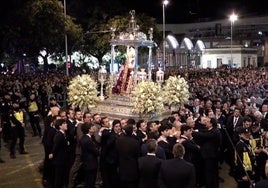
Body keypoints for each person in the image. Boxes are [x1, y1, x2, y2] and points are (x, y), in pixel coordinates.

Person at [116, 123, 140, 188]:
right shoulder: (135, 142)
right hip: (132, 168)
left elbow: (117, 152)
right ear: (132, 131)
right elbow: (137, 155)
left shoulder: (118, 140)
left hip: (122, 167)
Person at [49, 119, 69, 188]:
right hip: (59, 160)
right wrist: (52, 153)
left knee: (61, 177)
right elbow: (55, 146)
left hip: (63, 160)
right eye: (64, 124)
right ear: (60, 126)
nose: (66, 125)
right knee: (59, 178)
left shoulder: (63, 134)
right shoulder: (59, 135)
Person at [80, 122, 100, 188]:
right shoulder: (88, 140)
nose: (93, 128)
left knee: (89, 181)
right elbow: (95, 151)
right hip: (90, 164)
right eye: (92, 127)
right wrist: (99, 151)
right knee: (90, 182)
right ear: (89, 129)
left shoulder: (85, 137)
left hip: (87, 163)